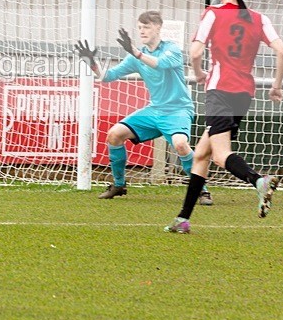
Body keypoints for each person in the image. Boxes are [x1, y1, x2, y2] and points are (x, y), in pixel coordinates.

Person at [165, 0, 283, 233]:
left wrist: (199, 74)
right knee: (201, 153)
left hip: (220, 89)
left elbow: (196, 52)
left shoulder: (213, 14)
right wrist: (276, 87)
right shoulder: (258, 18)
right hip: (244, 92)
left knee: (221, 154)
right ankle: (182, 219)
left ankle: (258, 180)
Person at [76, 11, 212, 204]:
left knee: (181, 145)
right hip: (154, 111)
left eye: (146, 27)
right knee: (115, 134)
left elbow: (160, 64)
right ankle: (119, 184)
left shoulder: (171, 50)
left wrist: (136, 53)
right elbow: (107, 76)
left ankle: (202, 191)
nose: (142, 31)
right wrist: (92, 62)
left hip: (178, 110)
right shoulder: (137, 56)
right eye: (139, 27)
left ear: (158, 27)